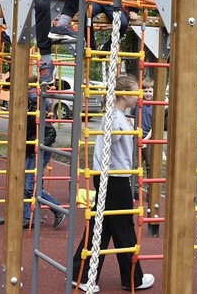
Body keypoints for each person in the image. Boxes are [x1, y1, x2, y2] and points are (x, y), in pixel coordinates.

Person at [71, 74, 155, 292]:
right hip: (114, 179)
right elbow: (109, 143)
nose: (139, 96)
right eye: (136, 91)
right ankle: (132, 279)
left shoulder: (118, 116)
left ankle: (80, 273)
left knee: (105, 225)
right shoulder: (114, 118)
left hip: (111, 177)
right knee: (124, 227)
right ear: (125, 93)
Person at [23, 77, 65, 229]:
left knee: (29, 186)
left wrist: (40, 146)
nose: (31, 92)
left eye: (32, 89)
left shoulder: (37, 105)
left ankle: (58, 208)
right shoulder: (28, 105)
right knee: (25, 185)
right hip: (29, 149)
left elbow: (51, 132)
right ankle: (28, 219)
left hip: (38, 150)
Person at [132, 77, 154, 199]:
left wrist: (146, 139)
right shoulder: (138, 104)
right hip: (137, 137)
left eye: (150, 91)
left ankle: (151, 191)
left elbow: (155, 125)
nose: (148, 94)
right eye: (146, 91)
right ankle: (134, 190)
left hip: (150, 139)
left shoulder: (155, 106)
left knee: (150, 166)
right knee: (135, 164)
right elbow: (131, 117)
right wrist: (135, 132)